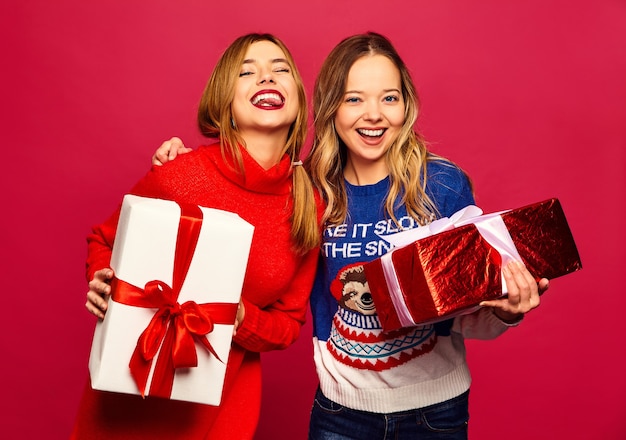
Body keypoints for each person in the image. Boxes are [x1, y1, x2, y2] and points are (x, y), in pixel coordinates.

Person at [153, 32, 548, 440]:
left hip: (435, 414)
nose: (373, 114)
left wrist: (506, 311)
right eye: (354, 98)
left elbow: (467, 314)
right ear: (331, 108)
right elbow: (242, 203)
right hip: (340, 415)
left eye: (389, 98)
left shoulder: (441, 185)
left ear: (406, 106)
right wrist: (187, 168)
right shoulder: (306, 190)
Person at [73, 33, 324, 440]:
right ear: (224, 99)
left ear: (297, 97)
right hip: (130, 394)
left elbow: (288, 324)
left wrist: (240, 318)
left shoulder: (310, 204)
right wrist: (102, 277)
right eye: (247, 72)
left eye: (281, 70)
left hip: (223, 406)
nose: (267, 78)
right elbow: (104, 238)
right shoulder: (181, 172)